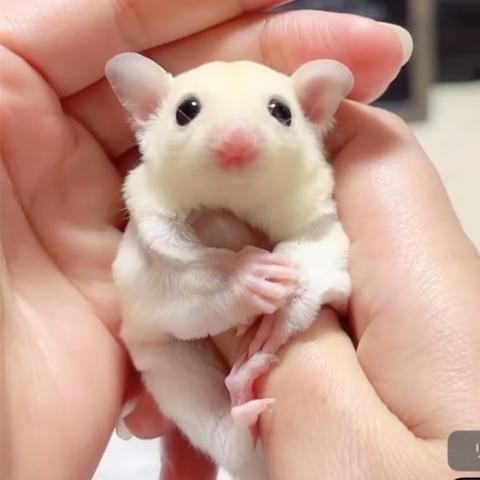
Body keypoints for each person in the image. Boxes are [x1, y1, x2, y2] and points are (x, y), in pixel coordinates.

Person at [1, 1, 479, 479]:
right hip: (175, 355)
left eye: (278, 111)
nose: (236, 136)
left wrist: (297, 290)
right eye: (189, 111)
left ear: (313, 111)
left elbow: (323, 252)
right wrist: (224, 285)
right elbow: (157, 312)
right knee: (174, 371)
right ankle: (232, 434)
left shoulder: (310, 192)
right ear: (148, 113)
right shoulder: (151, 202)